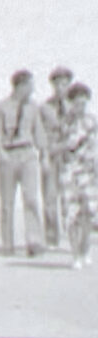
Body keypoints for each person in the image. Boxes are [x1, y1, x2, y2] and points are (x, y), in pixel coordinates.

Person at [0, 69, 45, 256]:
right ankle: (7, 243)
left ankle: (34, 241)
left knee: (31, 199)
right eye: (29, 85)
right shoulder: (1, 107)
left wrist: (43, 156)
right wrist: (1, 152)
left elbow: (39, 134)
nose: (32, 89)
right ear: (20, 86)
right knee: (7, 202)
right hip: (9, 155)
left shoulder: (33, 108)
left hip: (27, 154)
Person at [53, 82, 98, 269]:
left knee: (88, 213)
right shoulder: (63, 123)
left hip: (88, 172)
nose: (81, 107)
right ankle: (75, 254)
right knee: (72, 214)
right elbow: (53, 147)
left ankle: (85, 248)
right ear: (71, 102)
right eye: (78, 103)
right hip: (69, 172)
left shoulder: (92, 121)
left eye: (84, 103)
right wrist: (67, 145)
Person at [39, 66, 73, 247]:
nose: (61, 88)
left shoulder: (75, 107)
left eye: (65, 84)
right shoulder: (45, 108)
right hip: (52, 155)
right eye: (58, 84)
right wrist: (44, 156)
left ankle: (72, 235)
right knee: (50, 198)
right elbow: (42, 134)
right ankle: (52, 237)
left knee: (70, 197)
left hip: (70, 156)